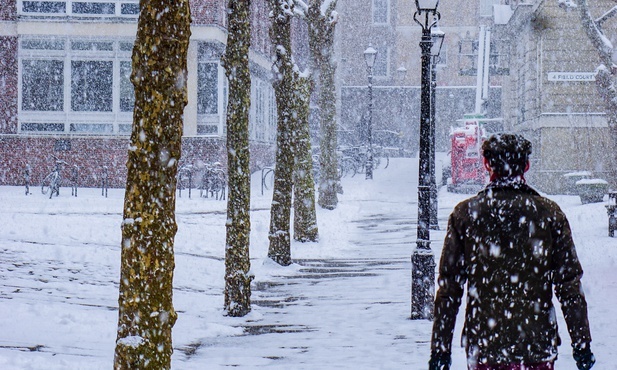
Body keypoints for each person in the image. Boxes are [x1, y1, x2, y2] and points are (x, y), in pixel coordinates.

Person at [428, 133, 595, 370]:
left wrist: (440, 348)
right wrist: (581, 343)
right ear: (526, 165)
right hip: (536, 344)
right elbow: (569, 285)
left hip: (485, 345)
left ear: (487, 165)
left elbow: (449, 289)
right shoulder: (549, 214)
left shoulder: (465, 215)